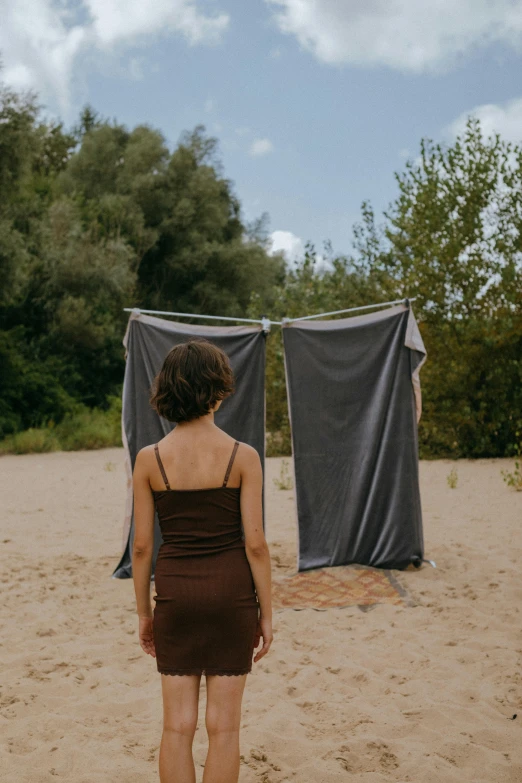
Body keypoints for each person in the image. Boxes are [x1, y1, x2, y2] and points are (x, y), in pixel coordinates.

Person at [131, 338, 273, 783]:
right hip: (231, 595)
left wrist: (144, 614)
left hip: (176, 595)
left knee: (177, 726)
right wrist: (266, 612)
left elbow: (140, 548)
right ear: (218, 390)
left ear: (168, 393)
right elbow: (256, 545)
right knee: (224, 728)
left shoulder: (149, 459)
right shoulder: (243, 456)